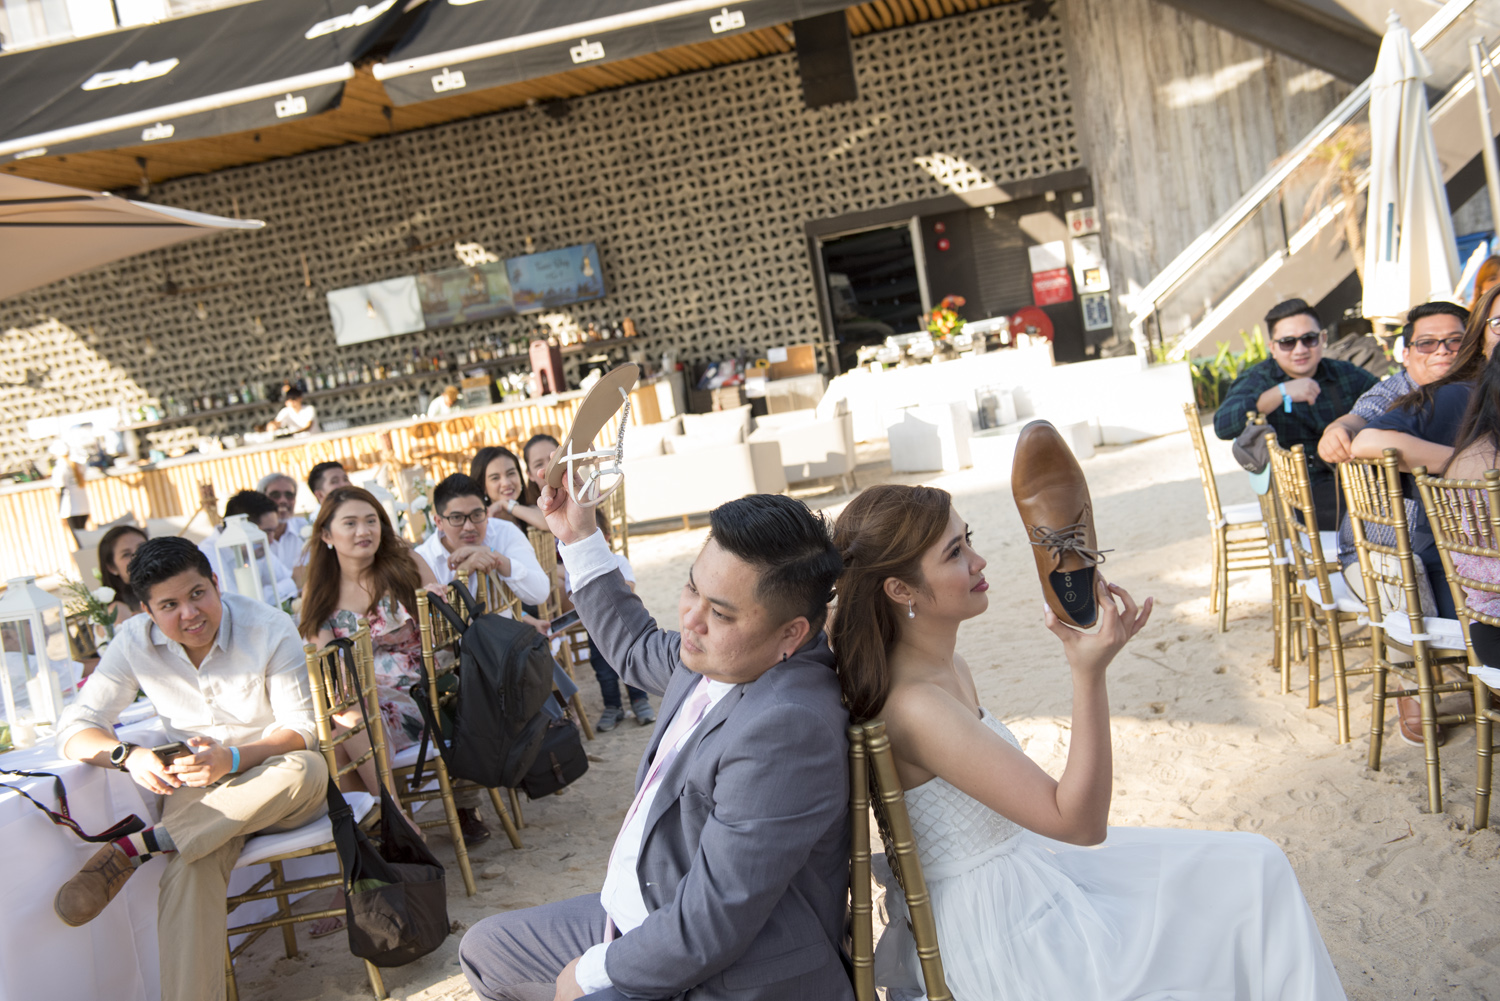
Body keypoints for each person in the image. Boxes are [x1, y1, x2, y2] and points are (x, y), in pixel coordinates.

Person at [830, 483, 1346, 1001]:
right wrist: (1088, 673)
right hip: (1002, 933)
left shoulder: (947, 669)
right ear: (901, 590)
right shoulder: (917, 705)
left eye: (968, 539)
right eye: (955, 553)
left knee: (1254, 866)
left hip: (1025, 875)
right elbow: (1078, 823)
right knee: (1252, 876)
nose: (979, 560)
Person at [460, 491, 853, 1001]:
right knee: (486, 949)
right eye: (693, 588)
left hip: (725, 972)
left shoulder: (787, 727)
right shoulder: (721, 656)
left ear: (791, 634)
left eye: (722, 613)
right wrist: (578, 536)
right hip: (640, 913)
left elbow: (710, 924)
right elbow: (636, 645)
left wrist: (588, 973)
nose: (691, 619)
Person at [51, 537, 327, 1001]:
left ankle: (142, 845)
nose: (189, 614)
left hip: (276, 782)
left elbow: (303, 729)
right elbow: (74, 728)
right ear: (147, 610)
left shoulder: (268, 626)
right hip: (200, 799)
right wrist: (128, 755)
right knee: (189, 867)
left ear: (216, 584)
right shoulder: (133, 642)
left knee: (308, 769)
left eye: (198, 594)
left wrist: (234, 758)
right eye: (170, 605)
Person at [294, 486, 492, 842]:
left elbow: (445, 638)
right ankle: (393, 819)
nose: (363, 531)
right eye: (350, 523)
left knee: (344, 726)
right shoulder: (319, 592)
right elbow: (329, 669)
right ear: (326, 534)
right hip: (364, 703)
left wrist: (433, 602)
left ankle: (387, 823)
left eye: (371, 521)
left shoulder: (403, 564)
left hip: (428, 694)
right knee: (340, 724)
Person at [524, 433, 654, 730]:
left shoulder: (617, 559)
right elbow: (576, 594)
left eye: (552, 459)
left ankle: (639, 701)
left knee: (632, 657)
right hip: (594, 617)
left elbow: (626, 589)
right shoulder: (532, 511)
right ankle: (612, 707)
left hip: (616, 617)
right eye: (539, 464)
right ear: (531, 473)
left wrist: (591, 467)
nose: (548, 467)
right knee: (603, 668)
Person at [1215, 298, 1378, 529]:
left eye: (1309, 339)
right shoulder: (1259, 379)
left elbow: (1388, 403)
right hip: (1298, 493)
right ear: (1272, 347)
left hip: (1357, 478)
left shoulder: (1343, 373)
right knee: (1372, 516)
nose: (1300, 350)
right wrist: (1278, 394)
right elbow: (1223, 426)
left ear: (1322, 339)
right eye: (1287, 343)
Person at [1317, 301, 1471, 465]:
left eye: (1455, 340)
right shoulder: (1395, 390)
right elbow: (1364, 414)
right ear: (1406, 355)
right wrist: (1337, 430)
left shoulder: (1485, 379)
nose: (1442, 350)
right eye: (1426, 343)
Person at [414, 473, 551, 605]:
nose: (468, 526)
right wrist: (464, 572)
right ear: (439, 522)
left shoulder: (504, 532)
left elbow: (540, 594)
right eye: (457, 518)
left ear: (486, 513)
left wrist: (492, 555)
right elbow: (433, 622)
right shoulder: (424, 558)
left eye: (477, 515)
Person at [197, 490, 299, 605]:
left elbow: (288, 577)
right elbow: (237, 604)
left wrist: (292, 582)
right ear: (239, 528)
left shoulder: (257, 547)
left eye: (273, 531)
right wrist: (291, 583)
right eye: (266, 532)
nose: (271, 540)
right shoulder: (207, 555)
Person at [471, 445, 548, 532]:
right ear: (483, 486)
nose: (506, 483)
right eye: (495, 478)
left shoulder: (532, 511)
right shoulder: (483, 522)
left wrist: (506, 505)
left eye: (511, 473)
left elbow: (548, 523)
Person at [257, 471, 310, 570]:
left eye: (289, 495)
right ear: (261, 498)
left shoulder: (308, 528)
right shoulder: (252, 537)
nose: (283, 501)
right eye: (275, 495)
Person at [97, 523, 147, 620]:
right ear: (112, 567)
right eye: (126, 554)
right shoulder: (117, 611)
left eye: (142, 547)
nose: (138, 556)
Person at [50, 440, 91, 542]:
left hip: (70, 509)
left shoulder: (59, 469)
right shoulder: (78, 466)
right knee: (84, 537)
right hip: (83, 507)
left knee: (79, 540)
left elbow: (60, 492)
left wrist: (60, 513)